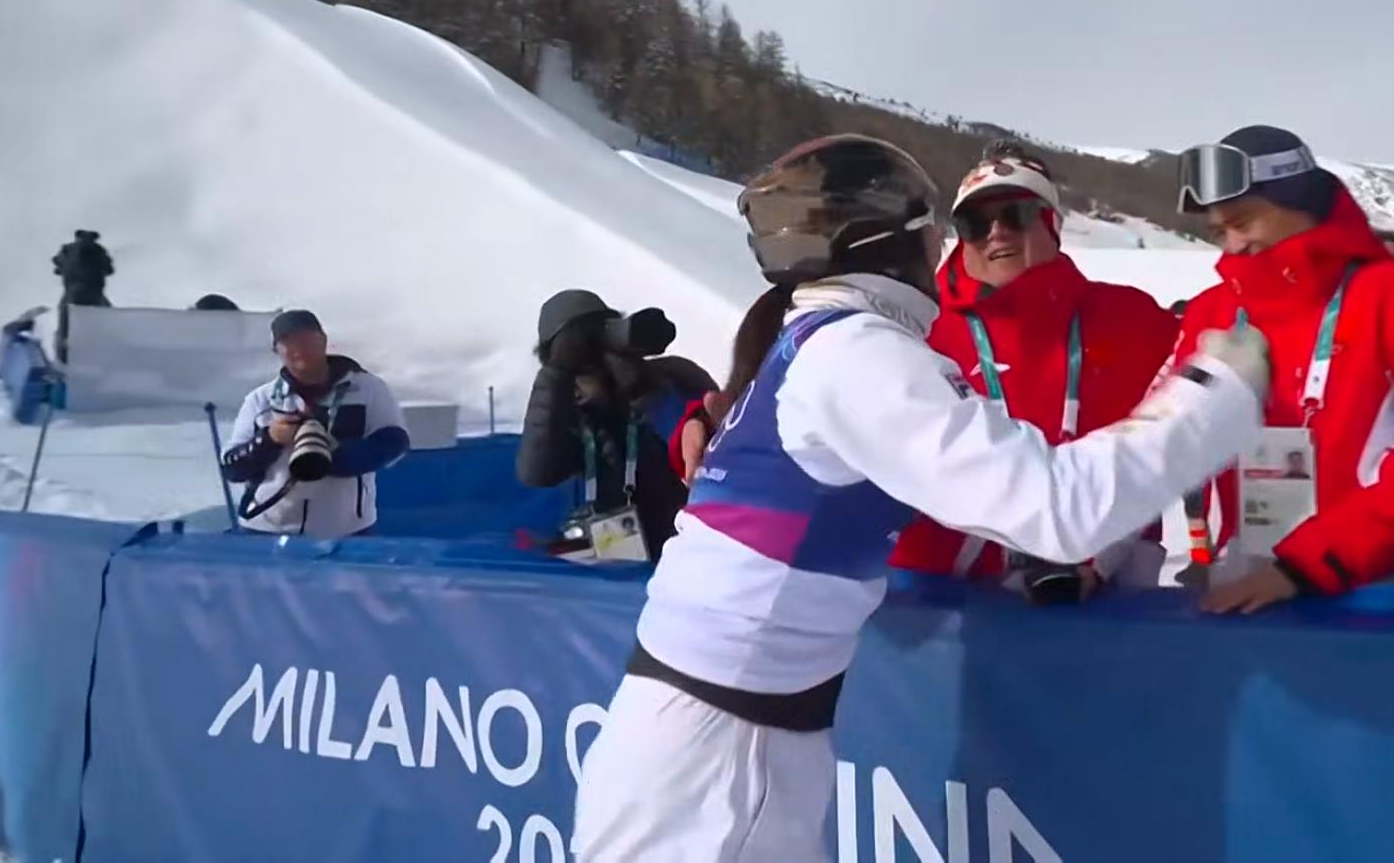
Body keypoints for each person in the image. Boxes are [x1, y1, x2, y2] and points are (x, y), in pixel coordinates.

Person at [569, 134, 1269, 862]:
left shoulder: (821, 339)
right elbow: (1059, 510)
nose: (945, 248)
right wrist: (1220, 394)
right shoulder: (857, 354)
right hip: (723, 755)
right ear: (890, 240)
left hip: (725, 732)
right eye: (938, 228)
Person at [1169, 125, 1394, 616]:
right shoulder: (1210, 312)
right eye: (1218, 231)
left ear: (1300, 201)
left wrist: (1308, 564)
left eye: (1244, 221)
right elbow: (1161, 443)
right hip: (1248, 582)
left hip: (1387, 586)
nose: (1233, 245)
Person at [889, 143, 1183, 600]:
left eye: (1016, 215)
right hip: (941, 597)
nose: (996, 233)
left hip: (1104, 595)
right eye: (975, 223)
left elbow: (1178, 434)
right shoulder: (914, 326)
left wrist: (1098, 559)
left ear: (1052, 223)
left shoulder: (1132, 319)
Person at [516, 290, 719, 561]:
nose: (577, 387)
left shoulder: (671, 380)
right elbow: (537, 472)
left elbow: (700, 450)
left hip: (685, 550)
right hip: (615, 559)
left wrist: (641, 390)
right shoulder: (571, 413)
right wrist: (555, 375)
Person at [219, 310, 410, 538]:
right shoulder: (261, 399)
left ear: (324, 340)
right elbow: (232, 468)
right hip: (266, 528)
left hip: (344, 530)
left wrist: (333, 456)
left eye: (307, 339)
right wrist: (270, 439)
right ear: (275, 350)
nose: (300, 348)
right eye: (288, 342)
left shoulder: (367, 389)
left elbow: (394, 444)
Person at [52, 229, 113, 307]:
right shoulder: (100, 250)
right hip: (95, 292)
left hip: (73, 291)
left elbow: (57, 265)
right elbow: (110, 270)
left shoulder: (67, 249)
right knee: (106, 308)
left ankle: (64, 312)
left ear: (77, 238)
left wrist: (63, 269)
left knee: (63, 307)